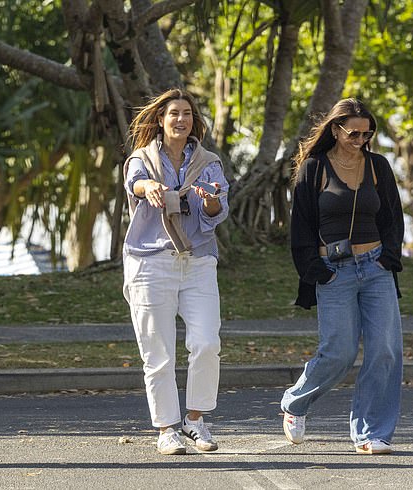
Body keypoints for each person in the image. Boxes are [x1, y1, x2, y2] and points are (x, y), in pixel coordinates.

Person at [281, 98, 404, 454]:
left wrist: (389, 259)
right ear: (335, 129)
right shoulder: (314, 168)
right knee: (339, 351)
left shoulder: (378, 166)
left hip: (376, 267)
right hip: (333, 272)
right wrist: (315, 270)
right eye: (353, 133)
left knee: (385, 351)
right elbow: (300, 226)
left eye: (367, 134)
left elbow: (393, 218)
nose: (361, 139)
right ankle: (295, 403)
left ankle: (370, 433)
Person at [122, 88, 229, 455]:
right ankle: (167, 428)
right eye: (173, 113)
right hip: (151, 261)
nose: (180, 119)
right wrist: (148, 185)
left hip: (198, 260)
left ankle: (195, 420)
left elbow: (217, 212)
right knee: (158, 350)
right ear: (161, 120)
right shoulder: (143, 158)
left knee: (207, 343)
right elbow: (133, 181)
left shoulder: (208, 162)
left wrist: (211, 202)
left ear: (193, 120)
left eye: (186, 113)